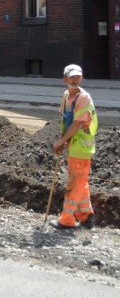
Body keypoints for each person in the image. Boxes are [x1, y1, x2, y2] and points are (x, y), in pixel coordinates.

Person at [51, 64, 98, 230]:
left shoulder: (84, 98)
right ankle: (86, 215)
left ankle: (67, 219)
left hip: (81, 148)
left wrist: (61, 142)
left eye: (78, 77)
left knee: (74, 183)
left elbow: (77, 124)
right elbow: (66, 120)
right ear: (65, 79)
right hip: (73, 146)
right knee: (80, 181)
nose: (75, 80)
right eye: (72, 77)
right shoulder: (66, 96)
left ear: (82, 78)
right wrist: (63, 140)